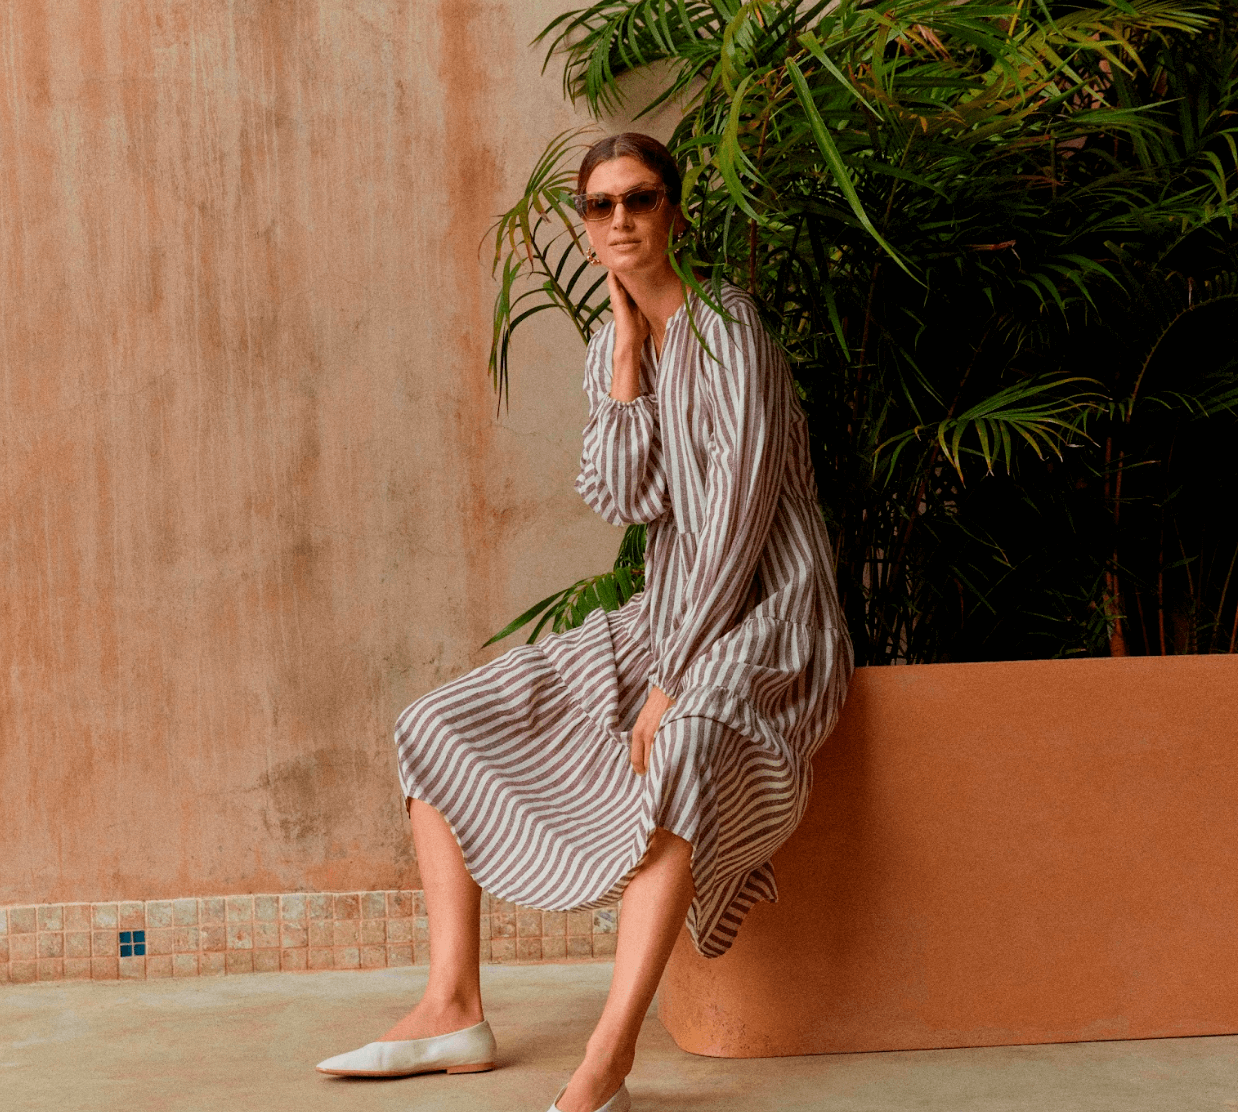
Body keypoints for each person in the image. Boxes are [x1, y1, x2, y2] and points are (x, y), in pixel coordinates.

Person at [314, 133, 852, 1112]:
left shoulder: (731, 332)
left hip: (766, 616)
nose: (620, 221)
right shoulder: (615, 344)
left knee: (685, 741)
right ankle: (451, 1005)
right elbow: (622, 496)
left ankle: (608, 1061)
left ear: (674, 212)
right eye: (600, 206)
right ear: (585, 222)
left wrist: (672, 678)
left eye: (638, 199)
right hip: (668, 611)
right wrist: (625, 356)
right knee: (435, 723)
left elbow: (738, 525)